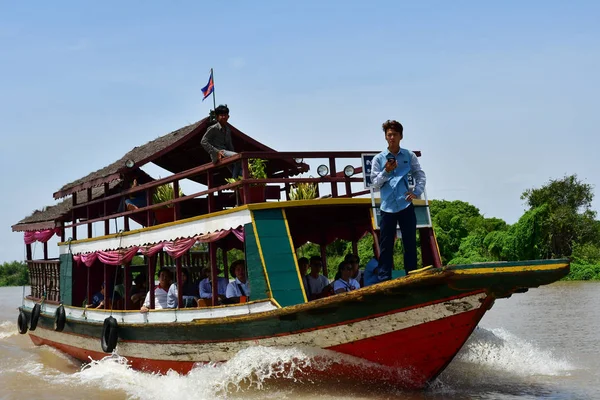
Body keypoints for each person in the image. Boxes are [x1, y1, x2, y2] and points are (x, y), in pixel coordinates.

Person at [370, 120, 426, 280]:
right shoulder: (378, 159)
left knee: (409, 243)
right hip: (387, 207)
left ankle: (412, 277)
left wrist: (417, 191)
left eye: (394, 134)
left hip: (405, 204)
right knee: (386, 246)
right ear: (385, 137)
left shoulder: (409, 155)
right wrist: (386, 171)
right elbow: (374, 183)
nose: (391, 138)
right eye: (389, 135)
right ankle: (384, 280)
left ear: (401, 136)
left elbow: (419, 174)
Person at [201, 104, 241, 179]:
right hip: (219, 153)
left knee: (240, 171)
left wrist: (232, 156)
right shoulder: (213, 128)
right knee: (237, 157)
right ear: (217, 117)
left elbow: (230, 145)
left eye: (225, 115)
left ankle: (236, 183)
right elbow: (203, 141)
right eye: (221, 115)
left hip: (226, 153)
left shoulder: (228, 130)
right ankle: (234, 180)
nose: (223, 117)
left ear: (228, 117)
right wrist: (216, 152)